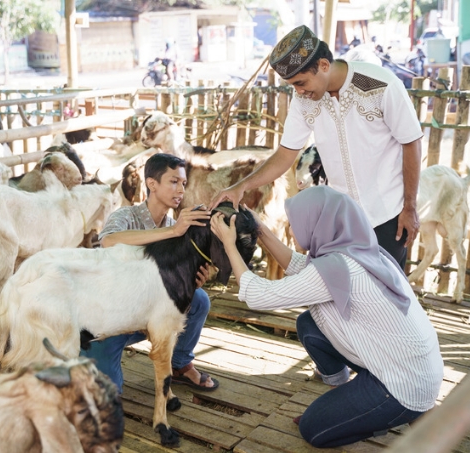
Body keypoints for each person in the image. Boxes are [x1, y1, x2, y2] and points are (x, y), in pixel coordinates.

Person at [210, 186, 443, 448]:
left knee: (314, 430)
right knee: (309, 324)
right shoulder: (359, 249)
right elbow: (299, 266)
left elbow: (258, 295)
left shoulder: (337, 266)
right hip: (413, 370)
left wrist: (229, 245)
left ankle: (376, 418)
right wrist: (260, 229)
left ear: (318, 224)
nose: (289, 230)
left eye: (295, 223)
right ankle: (347, 402)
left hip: (401, 386)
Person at [209, 24, 423, 268]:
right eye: (293, 86)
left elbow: (411, 143)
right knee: (340, 294)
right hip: (343, 220)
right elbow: (285, 154)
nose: (299, 91)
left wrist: (410, 207)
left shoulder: (380, 85)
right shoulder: (304, 100)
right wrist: (242, 186)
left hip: (388, 215)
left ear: (323, 65)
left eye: (301, 82)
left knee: (383, 297)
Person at [81, 153, 219, 392]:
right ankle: (78, 356)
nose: (180, 190)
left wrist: (191, 281)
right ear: (152, 184)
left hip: (149, 315)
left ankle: (180, 364)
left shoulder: (174, 226)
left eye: (183, 183)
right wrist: (174, 232)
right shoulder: (126, 216)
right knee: (109, 393)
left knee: (198, 300)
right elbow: (109, 241)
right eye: (173, 181)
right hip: (111, 319)